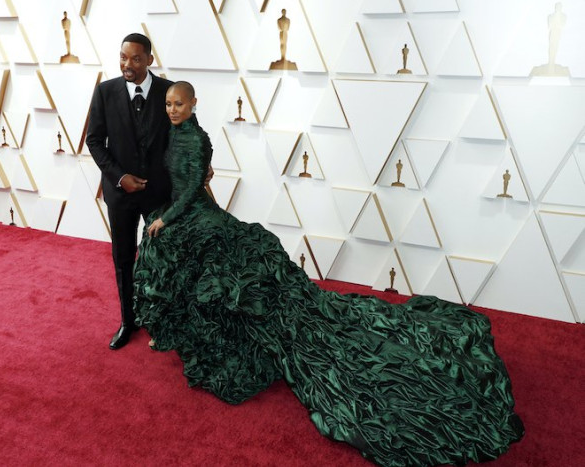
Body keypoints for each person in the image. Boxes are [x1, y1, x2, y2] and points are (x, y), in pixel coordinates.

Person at [133, 82, 524, 467]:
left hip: (189, 214)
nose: (172, 109)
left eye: (178, 104)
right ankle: (194, 334)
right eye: (168, 104)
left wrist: (167, 218)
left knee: (194, 260)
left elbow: (189, 191)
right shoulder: (174, 134)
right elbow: (195, 183)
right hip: (197, 213)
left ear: (194, 104)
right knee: (183, 260)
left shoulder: (197, 139)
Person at [86, 33, 174, 350]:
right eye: (123, 57)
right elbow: (94, 141)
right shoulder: (105, 91)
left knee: (160, 260)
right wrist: (119, 176)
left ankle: (160, 318)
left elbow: (185, 135)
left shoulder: (168, 91)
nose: (127, 65)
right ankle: (128, 320)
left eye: (135, 59)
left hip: (158, 195)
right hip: (120, 195)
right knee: (123, 258)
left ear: (150, 60)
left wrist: (200, 164)